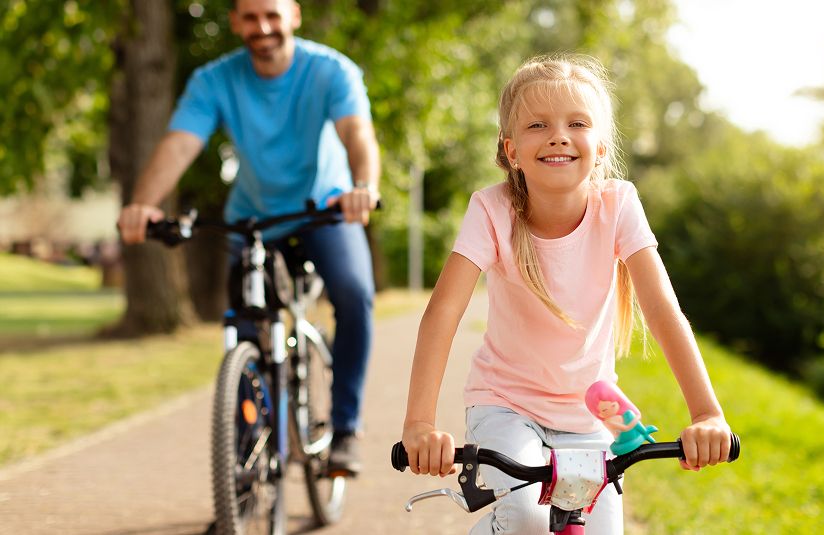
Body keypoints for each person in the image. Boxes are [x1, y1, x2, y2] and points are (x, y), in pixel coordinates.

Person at [400, 54, 733, 534]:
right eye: (538, 125)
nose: (558, 135)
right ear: (511, 151)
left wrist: (707, 414)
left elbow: (662, 311)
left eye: (577, 123)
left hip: (590, 415)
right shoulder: (491, 210)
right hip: (504, 404)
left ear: (599, 148)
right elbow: (443, 313)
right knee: (526, 518)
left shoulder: (618, 204)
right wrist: (419, 425)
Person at [117, 0, 380, 475]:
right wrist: (143, 204)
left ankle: (344, 429)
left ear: (294, 16)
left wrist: (363, 186)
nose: (263, 27)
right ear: (236, 22)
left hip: (325, 208)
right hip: (255, 217)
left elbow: (356, 132)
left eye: (272, 16)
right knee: (241, 327)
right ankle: (245, 455)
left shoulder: (330, 70)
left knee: (355, 293)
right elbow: (180, 144)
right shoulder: (215, 80)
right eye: (251, 17)